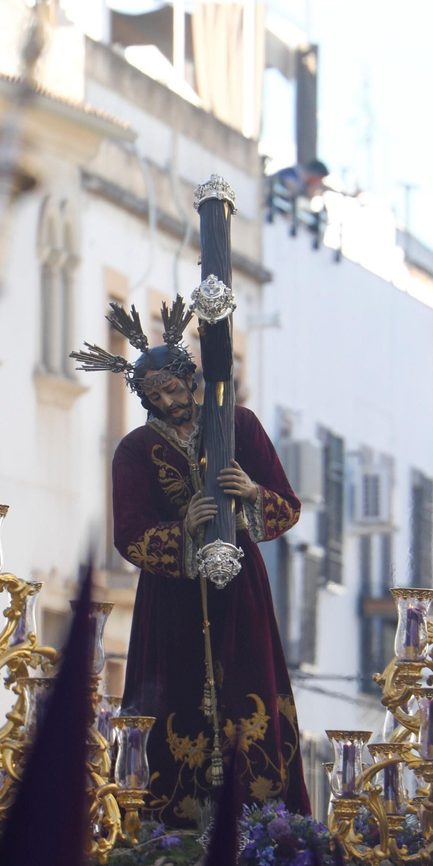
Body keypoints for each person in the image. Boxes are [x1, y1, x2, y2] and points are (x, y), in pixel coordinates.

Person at [73, 300, 309, 826]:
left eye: (174, 390)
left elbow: (287, 506)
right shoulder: (133, 451)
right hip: (172, 607)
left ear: (190, 381)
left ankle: (266, 836)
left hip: (240, 595)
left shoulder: (238, 427)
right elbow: (130, 536)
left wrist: (250, 493)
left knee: (249, 704)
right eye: (155, 397)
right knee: (174, 709)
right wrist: (183, 532)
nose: (168, 403)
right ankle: (168, 837)